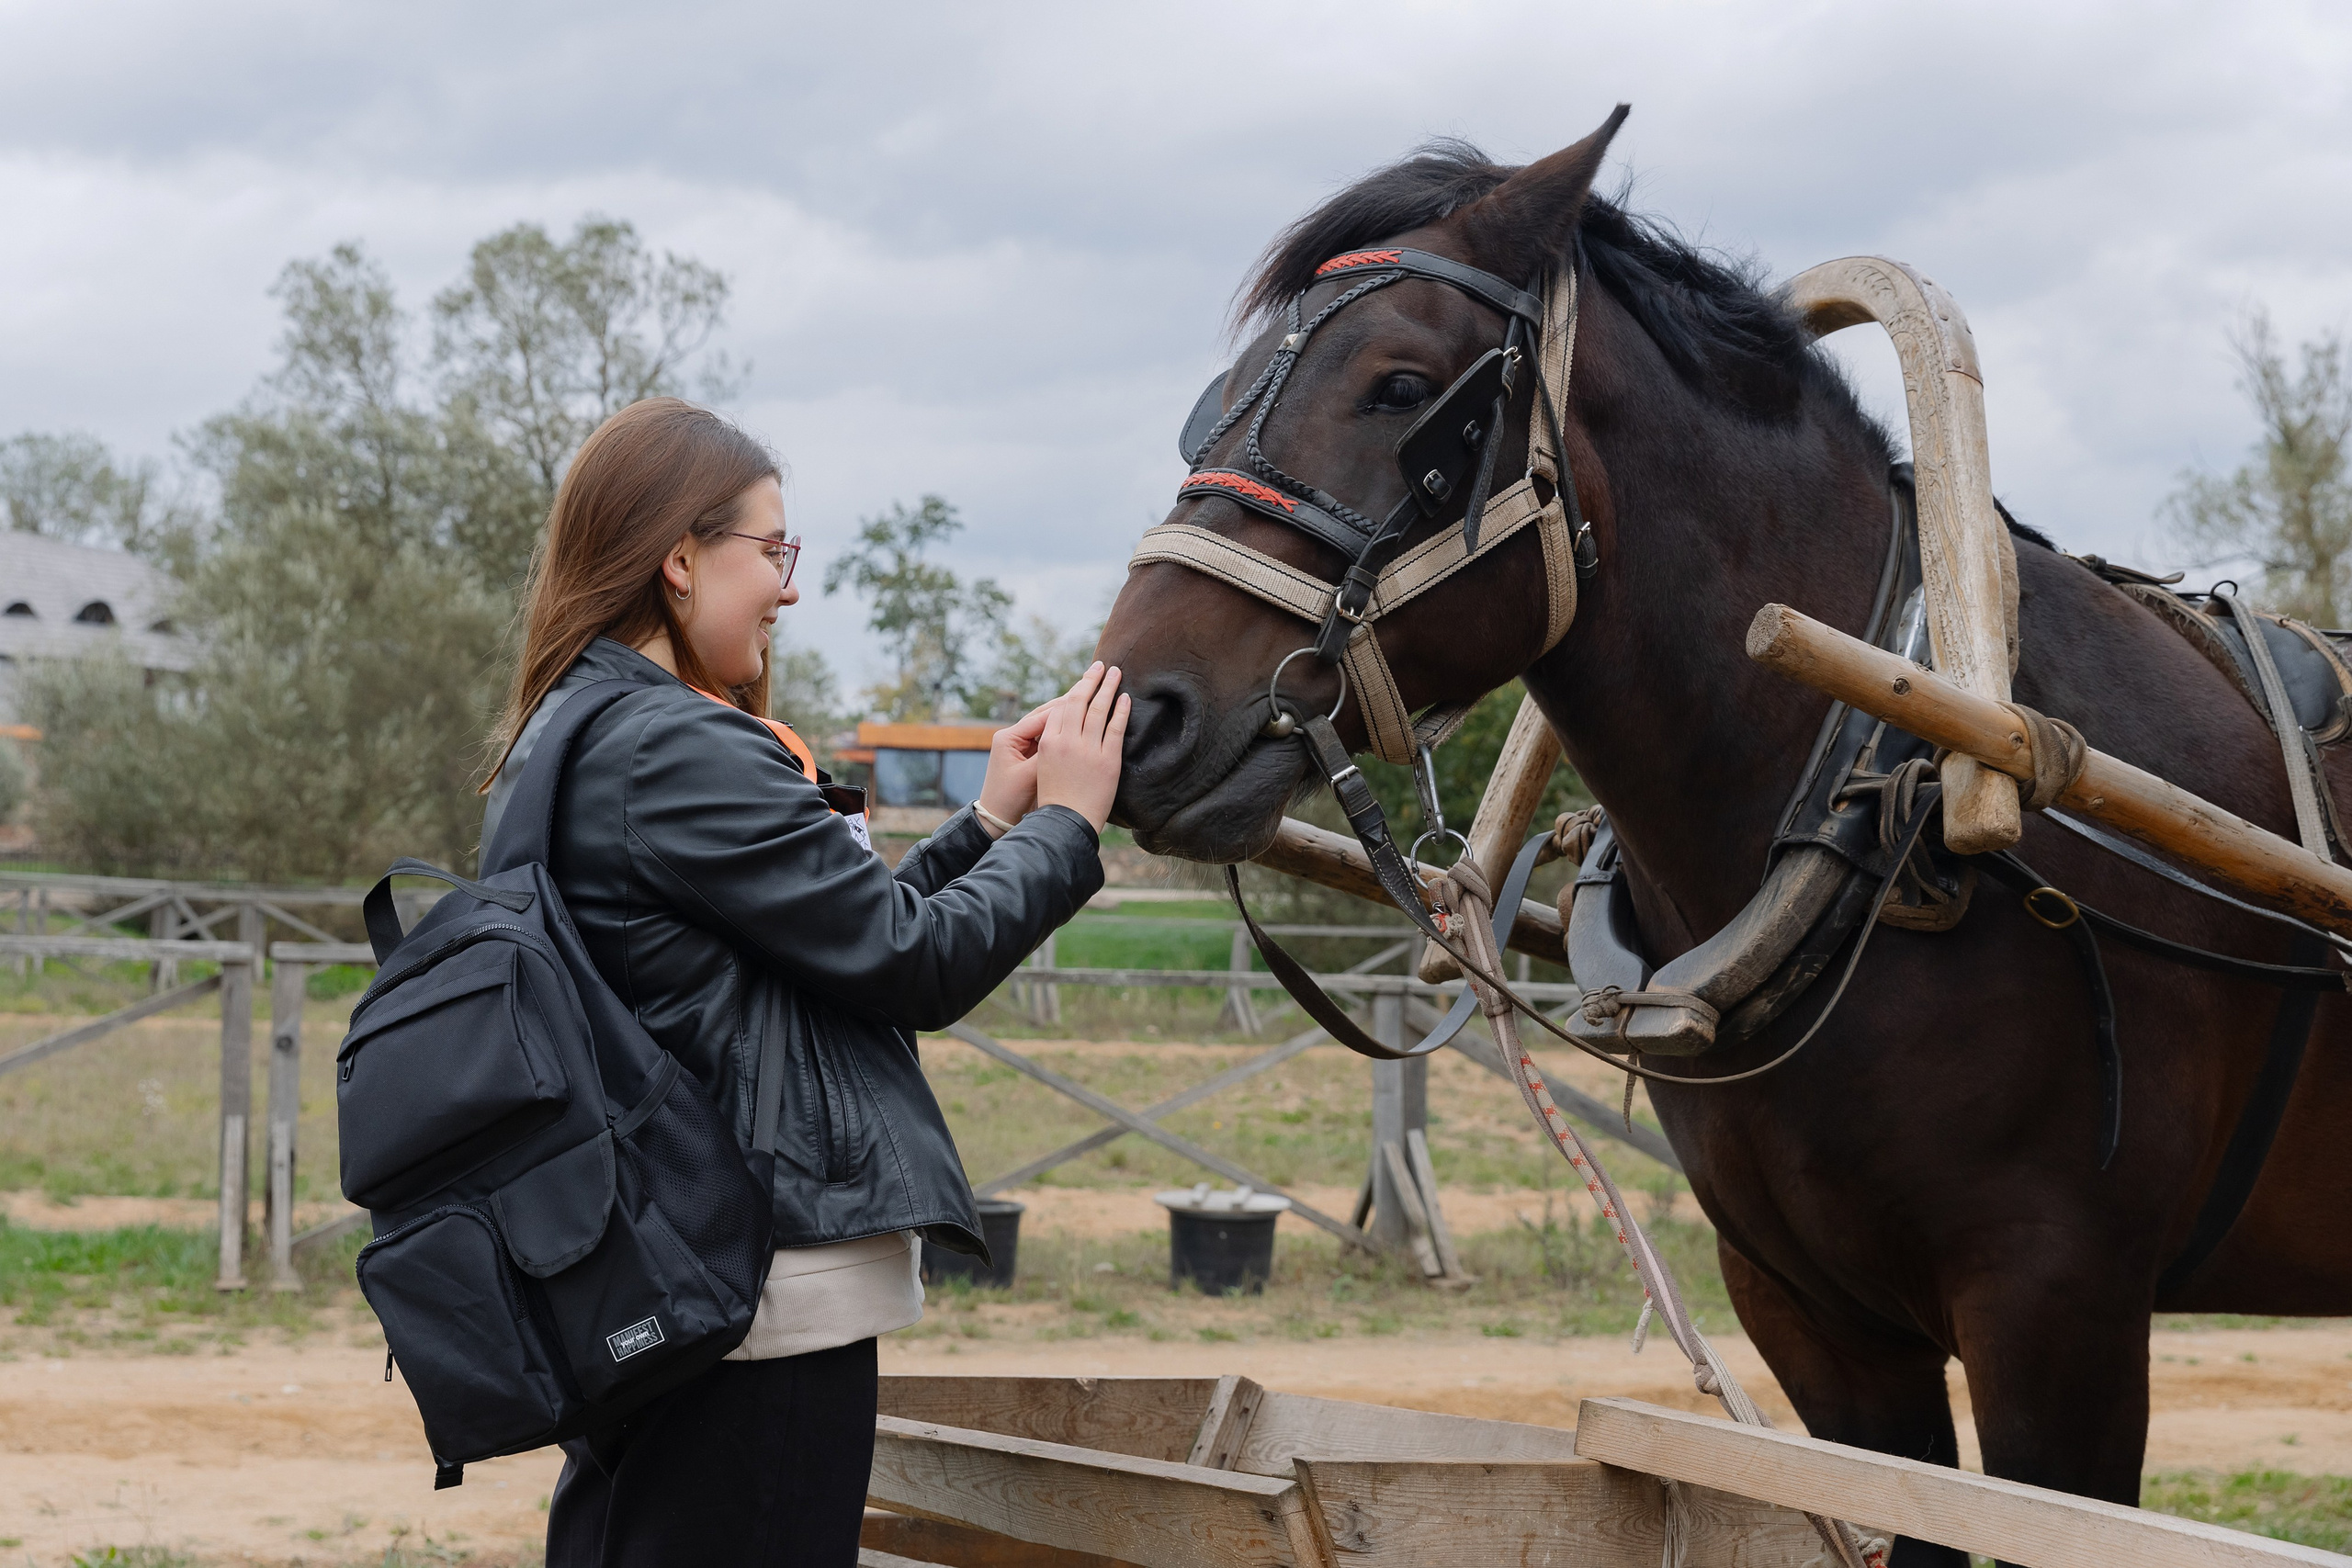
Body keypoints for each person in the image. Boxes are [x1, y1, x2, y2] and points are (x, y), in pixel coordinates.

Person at [479, 398, 1125, 1566]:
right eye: (772, 551)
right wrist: (1071, 824)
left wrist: (989, 821)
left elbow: (831, 945)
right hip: (754, 1296)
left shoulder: (577, 730)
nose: (788, 586)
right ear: (680, 560)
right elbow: (912, 963)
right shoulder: (677, 744)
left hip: (657, 1277)